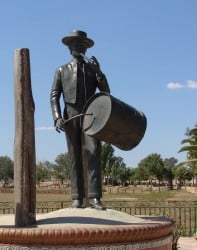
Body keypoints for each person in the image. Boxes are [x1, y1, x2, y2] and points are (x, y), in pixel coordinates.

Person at [50, 30, 110, 210]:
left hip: (90, 116)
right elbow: (54, 95)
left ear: (85, 48)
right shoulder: (61, 70)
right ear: (69, 48)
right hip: (70, 116)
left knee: (94, 154)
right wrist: (57, 117)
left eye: (81, 45)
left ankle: (94, 197)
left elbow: (106, 92)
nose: (78, 48)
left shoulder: (93, 69)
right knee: (74, 157)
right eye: (75, 44)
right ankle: (76, 197)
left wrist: (99, 72)